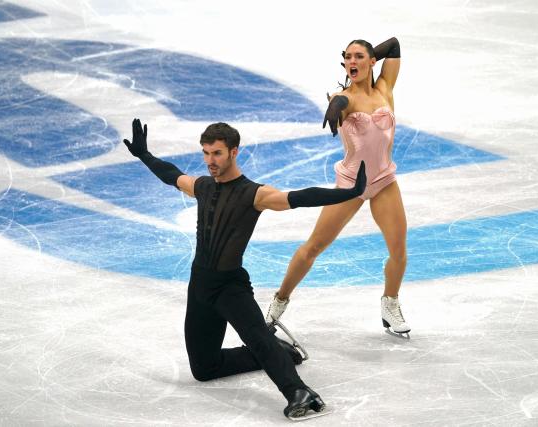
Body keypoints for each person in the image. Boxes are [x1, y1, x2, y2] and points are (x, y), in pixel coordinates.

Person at [123, 118, 366, 419]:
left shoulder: (254, 194)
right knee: (203, 369)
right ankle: (282, 352)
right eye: (206, 153)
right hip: (199, 285)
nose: (210, 160)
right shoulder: (202, 186)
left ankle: (300, 392)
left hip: (230, 286)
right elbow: (172, 175)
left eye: (217, 154)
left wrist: (350, 192)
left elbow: (301, 197)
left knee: (258, 337)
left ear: (234, 152)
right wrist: (144, 155)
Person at [265, 37, 411, 335]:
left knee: (399, 251)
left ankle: (390, 303)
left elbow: (394, 45)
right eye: (347, 58)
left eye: (358, 57)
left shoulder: (385, 88)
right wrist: (336, 106)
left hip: (384, 181)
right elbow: (340, 102)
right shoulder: (342, 96)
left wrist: (367, 56)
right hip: (350, 186)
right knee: (314, 246)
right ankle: (278, 302)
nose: (351, 62)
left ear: (373, 61)